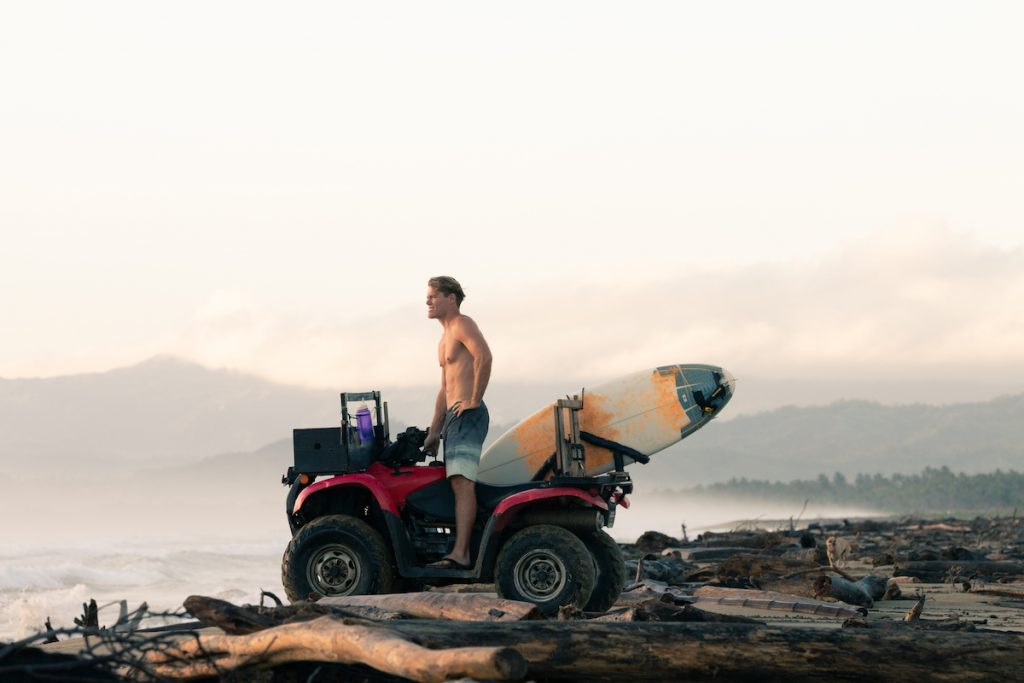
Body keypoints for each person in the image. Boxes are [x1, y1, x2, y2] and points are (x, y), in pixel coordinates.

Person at [422, 276, 492, 569]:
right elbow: (444, 388)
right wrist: (434, 430)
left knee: (462, 482)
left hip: (468, 413)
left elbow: (484, 357)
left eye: (433, 296)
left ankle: (461, 554)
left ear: (451, 298)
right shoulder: (443, 339)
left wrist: (475, 398)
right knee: (454, 481)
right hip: (452, 417)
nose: (428, 301)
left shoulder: (463, 323)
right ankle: (458, 548)